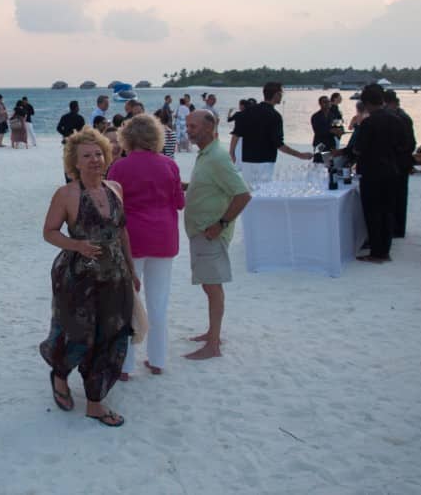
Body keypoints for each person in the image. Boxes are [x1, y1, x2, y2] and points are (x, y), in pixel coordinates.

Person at [40, 128, 136, 427]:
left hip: (115, 275)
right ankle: (59, 374)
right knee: (76, 335)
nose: (95, 160)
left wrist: (131, 271)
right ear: (75, 162)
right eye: (87, 156)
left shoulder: (116, 187)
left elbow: (121, 232)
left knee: (112, 336)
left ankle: (95, 402)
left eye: (98, 154)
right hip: (77, 277)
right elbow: (49, 232)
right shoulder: (66, 193)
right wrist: (77, 245)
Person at [106, 115, 184, 377]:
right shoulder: (170, 166)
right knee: (158, 302)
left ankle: (126, 365)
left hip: (132, 238)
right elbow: (179, 202)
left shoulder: (119, 167)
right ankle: (157, 360)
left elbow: (112, 208)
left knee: (127, 302)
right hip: (164, 237)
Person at [183, 110, 251, 360]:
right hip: (200, 231)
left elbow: (242, 195)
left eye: (193, 126)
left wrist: (220, 224)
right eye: (187, 125)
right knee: (208, 285)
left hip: (210, 233)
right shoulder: (206, 154)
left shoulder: (218, 157)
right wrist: (186, 187)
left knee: (213, 287)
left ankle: (213, 345)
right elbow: (210, 185)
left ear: (210, 128)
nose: (188, 130)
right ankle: (213, 333)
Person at [350, 85, 407, 263]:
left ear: (366, 103)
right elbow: (403, 146)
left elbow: (359, 149)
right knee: (388, 212)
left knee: (373, 213)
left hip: (372, 172)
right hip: (392, 170)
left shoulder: (369, 122)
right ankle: (385, 251)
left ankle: (377, 253)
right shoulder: (397, 119)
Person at [229, 82, 313, 185]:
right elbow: (279, 144)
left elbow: (236, 134)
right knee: (263, 193)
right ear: (276, 94)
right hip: (265, 161)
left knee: (249, 193)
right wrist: (300, 155)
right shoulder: (275, 116)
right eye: (281, 93)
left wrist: (232, 152)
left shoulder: (247, 112)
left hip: (247, 160)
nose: (281, 96)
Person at [384, 90, 416, 238]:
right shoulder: (401, 116)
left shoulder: (401, 118)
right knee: (398, 196)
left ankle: (397, 229)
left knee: (398, 196)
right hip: (401, 161)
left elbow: (409, 143)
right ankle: (397, 228)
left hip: (400, 162)